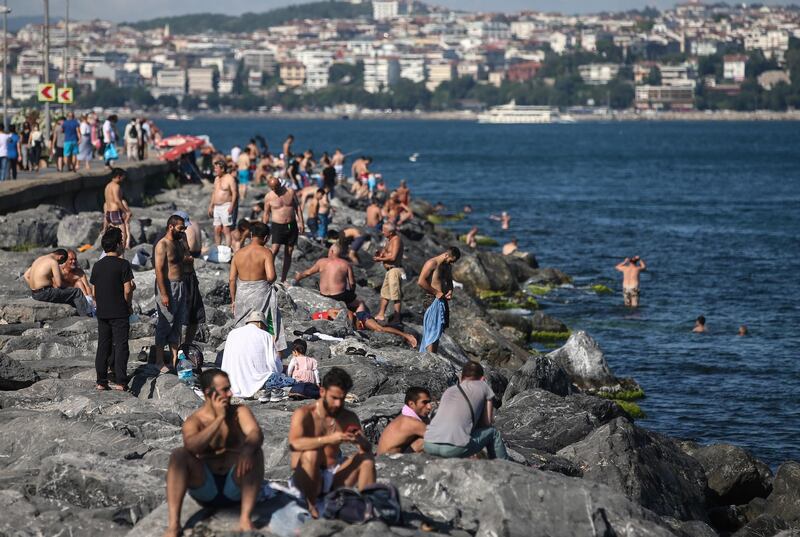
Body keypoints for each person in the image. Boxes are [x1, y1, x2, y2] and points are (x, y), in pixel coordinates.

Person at [164, 369, 264, 537]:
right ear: (209, 394)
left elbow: (255, 432)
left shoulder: (239, 412)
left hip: (236, 485)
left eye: (229, 388)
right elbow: (191, 446)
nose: (231, 393)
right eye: (225, 390)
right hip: (206, 488)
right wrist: (218, 419)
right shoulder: (195, 420)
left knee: (255, 451)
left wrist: (247, 450)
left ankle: (245, 519)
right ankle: (174, 526)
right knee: (178, 455)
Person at [288, 367, 375, 518]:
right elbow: (294, 444)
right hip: (306, 477)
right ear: (322, 392)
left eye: (342, 398)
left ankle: (367, 508)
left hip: (334, 476)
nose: (337, 403)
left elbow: (367, 448)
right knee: (311, 454)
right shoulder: (305, 414)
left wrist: (359, 439)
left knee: (366, 459)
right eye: (334, 398)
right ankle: (312, 507)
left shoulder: (348, 416)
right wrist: (329, 439)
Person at [296, 245, 417, 348]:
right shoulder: (345, 263)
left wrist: (296, 279)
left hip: (357, 316)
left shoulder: (322, 262)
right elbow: (352, 283)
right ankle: (404, 334)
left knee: (379, 328)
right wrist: (351, 292)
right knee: (360, 304)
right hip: (344, 300)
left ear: (331, 251)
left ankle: (407, 335)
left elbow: (307, 273)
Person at [423, 361, 508, 460]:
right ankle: (504, 466)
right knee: (493, 433)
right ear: (482, 379)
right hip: (454, 448)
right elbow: (487, 422)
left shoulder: (449, 391)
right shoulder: (484, 387)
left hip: (429, 444)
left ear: (461, 377)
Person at [229, 222, 286, 352]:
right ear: (266, 238)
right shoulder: (266, 252)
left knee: (243, 326)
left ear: (251, 235)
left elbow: (232, 279)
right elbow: (271, 277)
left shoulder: (238, 253)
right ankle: (264, 352)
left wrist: (233, 300)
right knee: (263, 323)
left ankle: (242, 352)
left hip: (242, 294)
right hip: (260, 293)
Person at [91, 228, 134, 391]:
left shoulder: (97, 265)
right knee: (121, 345)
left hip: (102, 311)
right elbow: (128, 289)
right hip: (119, 311)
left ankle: (101, 381)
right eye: (121, 242)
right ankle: (121, 381)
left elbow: (94, 291)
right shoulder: (123, 264)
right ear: (117, 245)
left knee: (103, 344)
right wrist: (128, 305)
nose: (122, 244)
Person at [221, 311, 293, 400]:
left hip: (230, 381)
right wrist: (281, 369)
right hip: (254, 382)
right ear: (259, 324)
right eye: (263, 327)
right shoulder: (266, 336)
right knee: (287, 380)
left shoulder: (232, 333)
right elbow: (273, 362)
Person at [153, 215, 189, 372]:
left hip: (181, 286)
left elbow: (185, 259)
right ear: (171, 227)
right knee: (165, 323)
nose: (183, 230)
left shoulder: (179, 242)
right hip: (168, 286)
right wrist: (164, 294)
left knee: (177, 324)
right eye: (181, 228)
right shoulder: (163, 245)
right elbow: (159, 270)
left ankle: (174, 360)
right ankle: (159, 361)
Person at [23, 249, 92, 317]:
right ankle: (86, 317)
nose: (60, 264)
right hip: (45, 293)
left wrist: (35, 288)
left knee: (68, 294)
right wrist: (71, 287)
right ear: (60, 257)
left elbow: (26, 275)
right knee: (76, 292)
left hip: (34, 293)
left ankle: (77, 313)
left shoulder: (39, 259)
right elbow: (59, 284)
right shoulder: (53, 262)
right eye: (61, 262)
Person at [417, 247, 461, 353]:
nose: (451, 263)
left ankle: (433, 356)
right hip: (432, 299)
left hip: (442, 300)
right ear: (446, 255)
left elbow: (449, 281)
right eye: (451, 260)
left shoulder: (447, 266)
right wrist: (436, 292)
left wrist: (450, 291)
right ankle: (429, 357)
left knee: (438, 331)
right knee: (432, 330)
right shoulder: (432, 263)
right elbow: (421, 281)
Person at [263, 176, 304, 283]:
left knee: (289, 251)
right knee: (274, 250)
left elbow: (297, 207)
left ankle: (283, 279)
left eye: (276, 187)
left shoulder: (290, 192)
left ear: (280, 184)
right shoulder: (269, 197)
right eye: (272, 188)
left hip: (291, 225)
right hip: (278, 226)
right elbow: (266, 214)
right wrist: (263, 229)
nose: (274, 190)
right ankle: (266, 273)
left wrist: (301, 222)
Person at [173, 211, 205, 346]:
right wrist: (187, 258)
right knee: (181, 317)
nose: (185, 229)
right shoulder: (170, 240)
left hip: (191, 277)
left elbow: (186, 252)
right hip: (181, 278)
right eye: (182, 227)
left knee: (196, 316)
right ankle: (178, 347)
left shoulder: (183, 235)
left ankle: (187, 345)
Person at [376, 387, 432, 455]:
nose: (429, 407)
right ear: (411, 404)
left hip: (382, 457)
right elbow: (439, 437)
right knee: (424, 442)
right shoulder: (411, 422)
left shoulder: (403, 417)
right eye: (424, 402)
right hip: (388, 461)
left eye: (429, 402)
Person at [373, 223, 404, 324]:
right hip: (389, 271)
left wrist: (380, 259)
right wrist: (379, 254)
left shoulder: (396, 240)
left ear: (390, 232)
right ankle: (381, 314)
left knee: (396, 295)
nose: (382, 232)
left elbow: (393, 257)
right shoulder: (388, 240)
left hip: (395, 270)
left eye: (384, 230)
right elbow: (385, 253)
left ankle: (397, 317)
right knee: (385, 293)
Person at [208, 159, 238, 247]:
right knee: (216, 229)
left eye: (216, 168)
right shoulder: (216, 179)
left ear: (222, 169)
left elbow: (235, 193)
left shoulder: (230, 179)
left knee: (226, 229)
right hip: (217, 206)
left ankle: (228, 249)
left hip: (226, 206)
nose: (215, 170)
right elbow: (214, 192)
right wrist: (211, 205)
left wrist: (232, 206)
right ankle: (218, 248)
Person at [102, 168, 133, 249]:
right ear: (119, 176)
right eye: (123, 177)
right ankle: (122, 251)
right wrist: (126, 211)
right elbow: (117, 201)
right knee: (123, 233)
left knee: (112, 234)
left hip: (109, 213)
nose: (124, 178)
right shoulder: (116, 186)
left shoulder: (108, 186)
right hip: (115, 213)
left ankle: (111, 251)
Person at [60, 249, 95, 313]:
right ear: (65, 260)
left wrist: (92, 299)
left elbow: (87, 286)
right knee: (78, 283)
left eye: (75, 259)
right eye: (71, 259)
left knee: (80, 283)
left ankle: (88, 303)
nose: (73, 261)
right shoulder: (60, 271)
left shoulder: (79, 271)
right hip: (67, 295)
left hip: (82, 296)